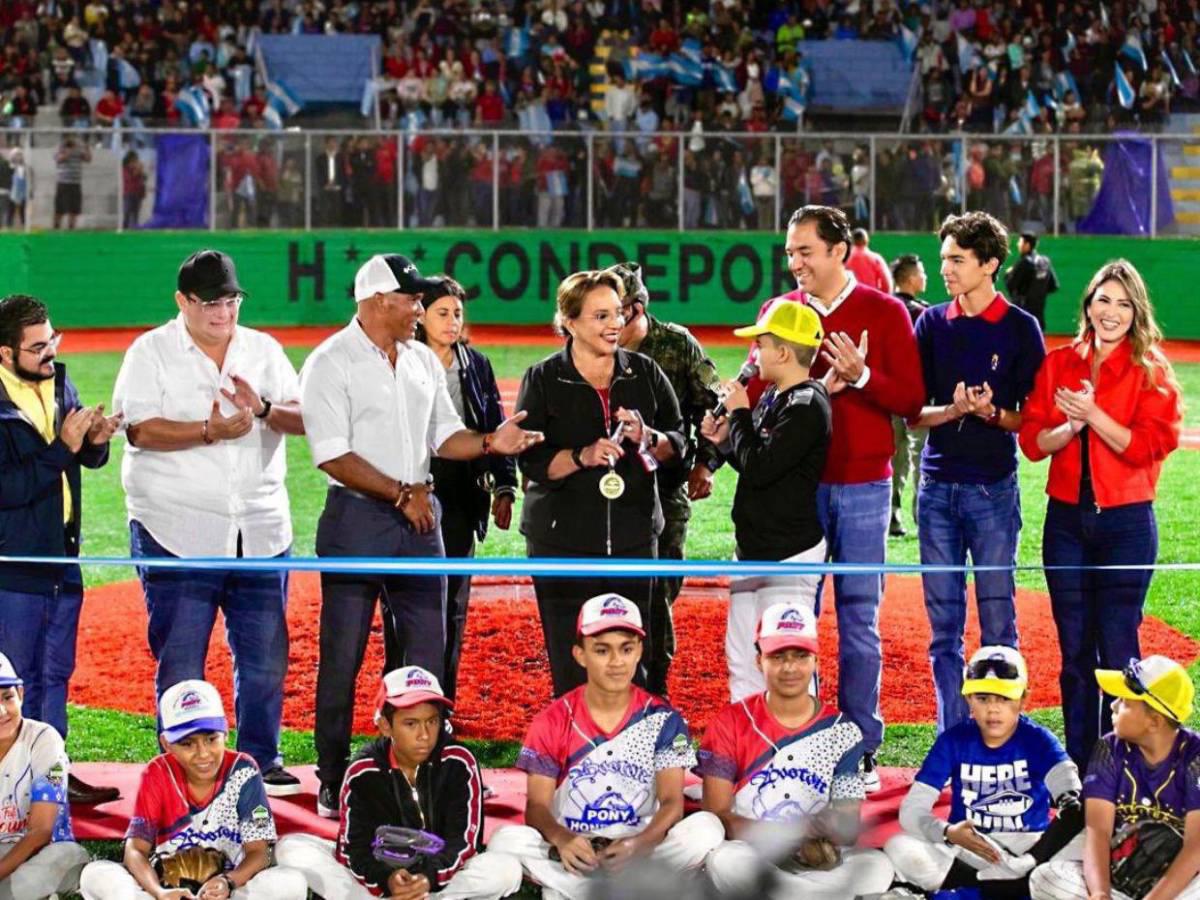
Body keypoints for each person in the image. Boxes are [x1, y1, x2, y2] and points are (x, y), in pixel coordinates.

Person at [299, 254, 542, 819]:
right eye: (411, 300)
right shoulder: (329, 363)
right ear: (379, 300)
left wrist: (489, 444)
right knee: (343, 656)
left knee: (427, 656)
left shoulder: (418, 362)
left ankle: (421, 769)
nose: (418, 310)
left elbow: (444, 435)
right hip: (360, 518)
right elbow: (332, 455)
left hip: (419, 517)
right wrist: (399, 493)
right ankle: (332, 775)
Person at [111, 250, 307, 797]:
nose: (224, 312)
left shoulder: (263, 349)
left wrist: (265, 409)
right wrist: (209, 431)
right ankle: (179, 764)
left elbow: (304, 416)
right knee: (181, 657)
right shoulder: (150, 351)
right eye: (211, 302)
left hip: (262, 530)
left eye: (231, 300)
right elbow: (140, 430)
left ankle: (262, 758)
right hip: (176, 530)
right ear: (183, 302)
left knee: (265, 656)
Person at [745, 205, 925, 791]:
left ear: (839, 251)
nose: (794, 263)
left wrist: (865, 377)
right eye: (790, 252)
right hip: (795, 493)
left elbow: (913, 403)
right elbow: (751, 387)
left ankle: (859, 745)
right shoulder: (779, 313)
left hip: (865, 486)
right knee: (789, 622)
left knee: (859, 620)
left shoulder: (885, 310)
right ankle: (796, 740)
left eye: (805, 252)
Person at [1018, 259, 1183, 768]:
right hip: (1066, 522)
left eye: (1123, 303)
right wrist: (1069, 427)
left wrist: (1093, 415)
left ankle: (1125, 763)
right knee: (1073, 654)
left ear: (1137, 312)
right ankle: (1080, 762)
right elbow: (1032, 443)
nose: (1111, 312)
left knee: (1117, 649)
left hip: (1127, 524)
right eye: (1103, 300)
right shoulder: (1059, 363)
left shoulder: (1150, 370)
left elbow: (1149, 447)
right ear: (1088, 304)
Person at [515, 269, 684, 697]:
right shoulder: (543, 379)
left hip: (633, 536)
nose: (615, 325)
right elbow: (531, 460)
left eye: (619, 313)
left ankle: (630, 752)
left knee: (630, 658)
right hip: (560, 542)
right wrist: (580, 456)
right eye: (601, 316)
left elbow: (680, 443)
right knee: (570, 657)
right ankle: (575, 752)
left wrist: (650, 438)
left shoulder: (644, 373)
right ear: (569, 322)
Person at [487, 594, 724, 899]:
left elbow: (671, 803)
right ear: (579, 654)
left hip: (640, 845)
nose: (616, 662)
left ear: (639, 650)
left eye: (626, 649)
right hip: (577, 845)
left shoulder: (663, 718)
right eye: (602, 650)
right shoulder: (553, 719)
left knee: (706, 828)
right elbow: (536, 808)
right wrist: (563, 839)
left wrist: (641, 844)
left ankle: (581, 888)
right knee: (506, 839)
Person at [909, 212, 1045, 734]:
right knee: (943, 630)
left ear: (989, 264)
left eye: (957, 260)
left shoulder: (1020, 329)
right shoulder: (931, 323)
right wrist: (954, 411)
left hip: (992, 489)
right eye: (944, 258)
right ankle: (951, 739)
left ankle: (1003, 736)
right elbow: (912, 412)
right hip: (936, 488)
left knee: (997, 624)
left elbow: (1033, 420)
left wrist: (991, 414)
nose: (945, 269)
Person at [0, 293, 122, 806]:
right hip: (16, 567)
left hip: (61, 559)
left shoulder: (57, 380)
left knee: (55, 674)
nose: (50, 354)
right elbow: (8, 489)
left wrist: (95, 441)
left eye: (52, 341)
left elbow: (82, 461)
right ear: (6, 354)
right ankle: (10, 787)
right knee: (14, 681)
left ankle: (52, 776)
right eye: (37, 348)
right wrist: (63, 448)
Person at [698, 602, 895, 898]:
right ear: (758, 660)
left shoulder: (844, 731)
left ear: (816, 660)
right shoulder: (729, 722)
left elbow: (848, 825)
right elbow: (717, 817)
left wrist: (831, 826)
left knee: (878, 867)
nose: (789, 667)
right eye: (778, 656)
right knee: (724, 861)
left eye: (801, 656)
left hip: (815, 863)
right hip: (751, 853)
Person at [275, 666, 523, 900]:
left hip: (440, 871)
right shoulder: (363, 772)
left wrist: (427, 878)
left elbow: (464, 842)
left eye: (432, 721)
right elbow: (354, 850)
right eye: (411, 723)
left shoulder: (458, 762)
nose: (425, 735)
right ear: (385, 726)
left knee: (505, 870)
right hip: (385, 868)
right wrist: (387, 878)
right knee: (292, 849)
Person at [392, 275, 518, 702]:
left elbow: (494, 424)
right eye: (442, 313)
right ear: (421, 315)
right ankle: (399, 695)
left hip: (462, 488)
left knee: (454, 600)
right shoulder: (400, 359)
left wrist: (504, 486)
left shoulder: (475, 364)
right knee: (403, 599)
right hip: (410, 487)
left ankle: (440, 700)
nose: (452, 322)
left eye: (458, 314)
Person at [700, 299, 831, 701]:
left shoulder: (807, 405)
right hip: (757, 548)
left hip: (788, 552)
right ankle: (750, 751)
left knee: (789, 662)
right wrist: (726, 440)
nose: (754, 354)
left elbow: (761, 466)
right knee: (742, 657)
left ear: (784, 352)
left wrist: (738, 416)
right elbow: (760, 465)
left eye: (761, 344)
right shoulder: (777, 397)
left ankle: (798, 753)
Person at [78, 680, 309, 900]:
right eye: (187, 744)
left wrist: (228, 882)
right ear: (166, 743)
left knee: (291, 882)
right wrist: (159, 892)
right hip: (169, 890)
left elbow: (260, 852)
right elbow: (135, 849)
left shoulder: (243, 770)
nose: (203, 753)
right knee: (94, 873)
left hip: (232, 891)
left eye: (211, 739)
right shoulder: (157, 771)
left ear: (226, 733)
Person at [885, 646, 1084, 898]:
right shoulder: (953, 741)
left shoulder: (1039, 740)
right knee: (900, 847)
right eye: (982, 698)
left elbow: (1074, 804)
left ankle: (976, 889)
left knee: (1085, 840)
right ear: (968, 699)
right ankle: (1004, 887)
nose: (993, 709)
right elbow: (911, 811)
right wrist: (948, 833)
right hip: (970, 849)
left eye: (1004, 698)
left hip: (1030, 848)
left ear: (1024, 699)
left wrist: (1031, 859)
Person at [611, 261, 721, 697]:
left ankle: (654, 691)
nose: (603, 319)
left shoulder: (676, 345)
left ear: (635, 308)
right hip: (607, 493)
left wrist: (705, 464)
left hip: (664, 490)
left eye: (612, 311)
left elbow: (714, 409)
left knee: (658, 595)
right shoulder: (592, 346)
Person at [1029, 655, 1200, 900]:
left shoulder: (1195, 757)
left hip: (1181, 881)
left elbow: (1195, 847)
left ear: (1154, 721)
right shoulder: (1109, 749)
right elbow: (1098, 830)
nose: (1113, 705)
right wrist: (1100, 893)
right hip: (1121, 866)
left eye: (1124, 702)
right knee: (1045, 878)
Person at [0, 652, 90, 899]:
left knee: (67, 858)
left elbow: (40, 831)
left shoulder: (44, 738)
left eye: (7, 697)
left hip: (43, 850)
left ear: (20, 694)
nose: (2, 711)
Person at [888, 253, 930, 538]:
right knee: (922, 456)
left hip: (888, 395)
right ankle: (923, 515)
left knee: (894, 457)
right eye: (923, 272)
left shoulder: (884, 308)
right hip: (919, 397)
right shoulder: (924, 313)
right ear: (912, 278)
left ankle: (891, 516)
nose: (925, 277)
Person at [1003, 232, 1059, 332]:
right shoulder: (1044, 262)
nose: (1018, 245)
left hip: (1023, 315)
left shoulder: (1024, 262)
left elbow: (1011, 285)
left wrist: (1009, 274)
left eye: (1020, 242)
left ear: (1027, 245)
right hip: (1039, 315)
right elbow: (1053, 286)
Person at [53, 136, 90, 230]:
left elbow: (88, 159)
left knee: (74, 208)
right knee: (59, 208)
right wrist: (68, 152)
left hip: (75, 183)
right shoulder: (60, 148)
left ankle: (71, 227)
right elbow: (58, 159)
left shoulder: (78, 150)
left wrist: (87, 148)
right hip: (63, 182)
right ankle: (56, 226)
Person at [844, 228, 893, 294]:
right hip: (871, 298)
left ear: (852, 241)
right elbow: (886, 284)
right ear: (866, 240)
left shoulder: (844, 259)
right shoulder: (876, 258)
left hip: (850, 298)